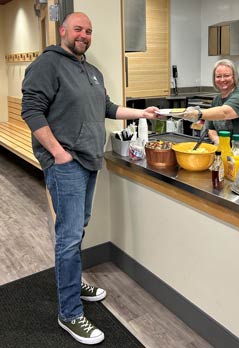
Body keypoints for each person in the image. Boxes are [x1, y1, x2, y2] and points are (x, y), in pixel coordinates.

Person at [21, 12, 158, 345]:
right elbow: (31, 110)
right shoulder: (47, 64)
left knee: (77, 229)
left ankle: (73, 281)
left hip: (89, 161)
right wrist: (58, 153)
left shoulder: (92, 71)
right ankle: (69, 313)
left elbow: (107, 108)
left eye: (89, 31)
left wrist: (141, 113)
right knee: (68, 238)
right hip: (66, 162)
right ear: (63, 30)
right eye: (78, 29)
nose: (84, 35)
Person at [184, 59, 239, 146]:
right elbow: (211, 128)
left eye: (226, 75)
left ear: (234, 76)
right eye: (218, 76)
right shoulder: (216, 100)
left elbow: (225, 113)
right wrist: (217, 141)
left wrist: (197, 113)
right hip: (227, 152)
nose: (222, 79)